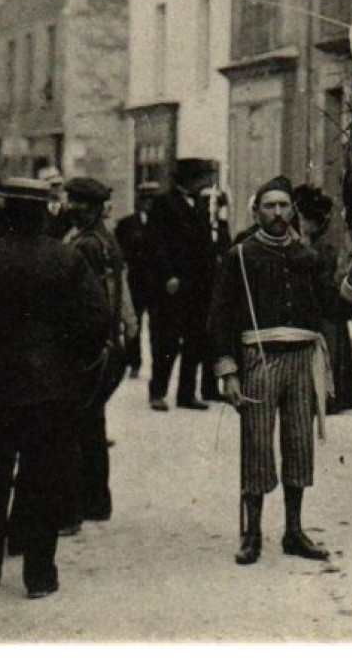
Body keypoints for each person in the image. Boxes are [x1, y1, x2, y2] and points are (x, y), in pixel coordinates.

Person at [0, 178, 112, 599]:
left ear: (5, 213)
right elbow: (97, 320)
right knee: (44, 479)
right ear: (44, 213)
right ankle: (39, 574)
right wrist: (69, 366)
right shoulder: (66, 260)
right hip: (52, 391)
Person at [212, 176, 346, 565]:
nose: (277, 213)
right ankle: (252, 534)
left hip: (303, 358)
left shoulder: (309, 257)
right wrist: (228, 370)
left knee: (299, 446)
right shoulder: (240, 256)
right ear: (256, 212)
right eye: (269, 206)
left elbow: (332, 309)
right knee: (256, 446)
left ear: (293, 211)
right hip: (259, 360)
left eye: (284, 206)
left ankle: (294, 531)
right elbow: (219, 317)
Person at [60, 176, 136, 525]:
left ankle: (74, 507)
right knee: (91, 423)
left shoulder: (86, 245)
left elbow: (83, 301)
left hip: (90, 346)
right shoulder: (105, 239)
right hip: (108, 344)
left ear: (95, 208)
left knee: (74, 426)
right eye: (72, 200)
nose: (73, 207)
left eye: (81, 203)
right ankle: (96, 501)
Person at [146, 158, 224, 411]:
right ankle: (157, 392)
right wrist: (168, 274)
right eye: (202, 177)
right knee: (167, 341)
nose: (205, 182)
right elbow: (156, 244)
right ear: (188, 179)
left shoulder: (201, 205)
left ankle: (186, 394)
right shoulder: (164, 203)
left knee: (195, 340)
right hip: (174, 285)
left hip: (198, 286)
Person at [293, 184, 352, 414]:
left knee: (325, 351)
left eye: (305, 220)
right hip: (320, 303)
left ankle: (326, 396)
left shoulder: (323, 247)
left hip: (322, 305)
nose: (302, 225)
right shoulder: (316, 242)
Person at [114, 181, 162, 378]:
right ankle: (134, 363)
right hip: (136, 281)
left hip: (157, 282)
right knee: (133, 324)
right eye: (144, 199)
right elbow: (120, 251)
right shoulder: (126, 224)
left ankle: (158, 365)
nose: (148, 203)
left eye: (152, 199)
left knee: (158, 327)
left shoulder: (163, 224)